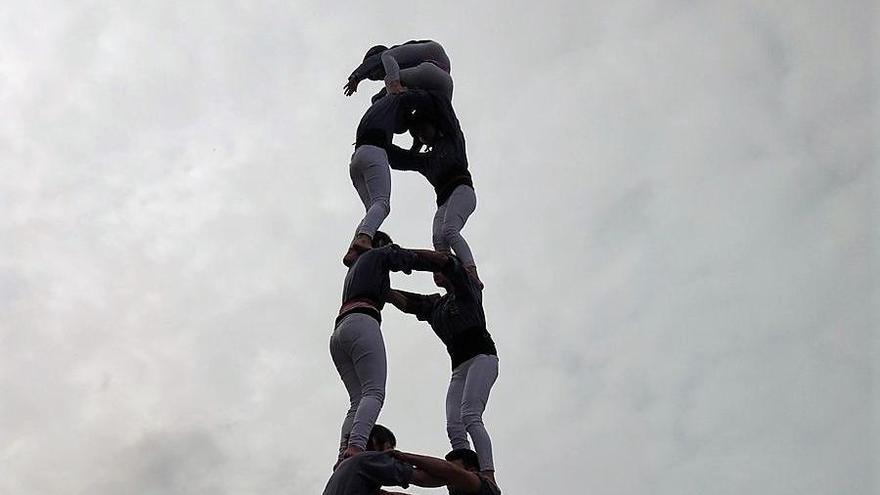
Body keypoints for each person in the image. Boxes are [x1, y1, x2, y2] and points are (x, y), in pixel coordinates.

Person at [332, 232, 453, 464]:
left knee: (357, 400)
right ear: (380, 245)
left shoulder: (355, 270)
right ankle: (356, 446)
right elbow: (403, 257)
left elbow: (393, 296)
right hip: (363, 321)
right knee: (374, 392)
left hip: (339, 330)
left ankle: (343, 454)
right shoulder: (377, 255)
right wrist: (441, 261)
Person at [387, 254, 499, 482]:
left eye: (439, 270)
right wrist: (381, 288)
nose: (435, 273)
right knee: (454, 425)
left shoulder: (466, 292)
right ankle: (464, 468)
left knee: (470, 415)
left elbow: (452, 268)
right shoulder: (435, 305)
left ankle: (487, 473)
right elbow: (408, 303)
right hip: (459, 366)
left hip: (481, 357)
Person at [386, 92, 483, 286]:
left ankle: (471, 271)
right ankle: (448, 275)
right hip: (444, 200)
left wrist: (429, 91)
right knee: (438, 239)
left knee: (449, 230)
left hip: (462, 190)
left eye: (423, 129)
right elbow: (400, 159)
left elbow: (446, 113)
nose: (422, 135)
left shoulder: (451, 139)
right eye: (418, 134)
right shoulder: (426, 161)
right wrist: (376, 140)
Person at [343, 88, 438, 267]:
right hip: (374, 152)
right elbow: (415, 101)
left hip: (357, 158)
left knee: (372, 210)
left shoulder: (374, 111)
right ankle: (363, 240)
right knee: (382, 204)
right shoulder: (394, 99)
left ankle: (352, 251)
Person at [323, 424, 446, 495]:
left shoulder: (344, 475)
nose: (391, 456)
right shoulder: (366, 460)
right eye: (389, 449)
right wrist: (458, 475)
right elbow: (422, 479)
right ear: (375, 441)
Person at [344, 40, 453, 101]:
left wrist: (356, 76)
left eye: (376, 74)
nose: (379, 77)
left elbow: (376, 59)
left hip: (431, 57)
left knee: (387, 59)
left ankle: (395, 85)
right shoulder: (403, 69)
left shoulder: (392, 53)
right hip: (443, 81)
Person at [388, 448, 501, 495]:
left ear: (471, 471)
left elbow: (449, 471)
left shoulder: (486, 487)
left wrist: (403, 456)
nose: (446, 483)